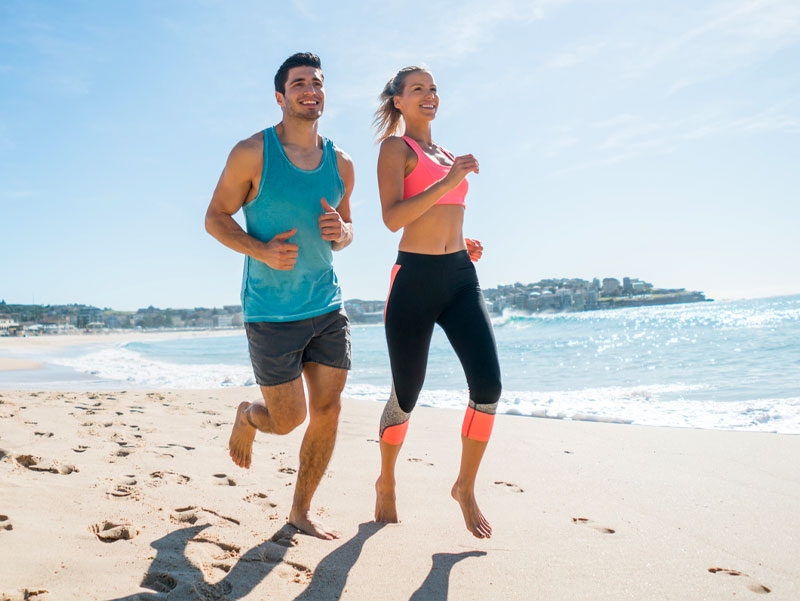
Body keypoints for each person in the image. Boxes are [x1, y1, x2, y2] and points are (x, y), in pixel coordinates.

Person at [205, 52, 354, 540]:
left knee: (328, 412)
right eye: (298, 83)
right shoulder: (253, 152)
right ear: (280, 96)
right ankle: (248, 415)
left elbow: (344, 231)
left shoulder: (341, 162)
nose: (309, 89)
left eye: (317, 82)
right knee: (289, 420)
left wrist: (343, 231)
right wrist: (261, 251)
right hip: (271, 312)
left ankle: (300, 510)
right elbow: (215, 218)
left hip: (327, 306)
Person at [372, 66, 502, 539]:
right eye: (418, 90)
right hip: (415, 282)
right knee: (406, 396)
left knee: (488, 387)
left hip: (459, 279)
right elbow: (392, 219)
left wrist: (462, 240)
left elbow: (443, 212)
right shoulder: (395, 148)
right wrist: (448, 181)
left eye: (433, 89)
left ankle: (464, 487)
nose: (429, 95)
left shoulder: (446, 154)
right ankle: (386, 478)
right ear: (399, 101)